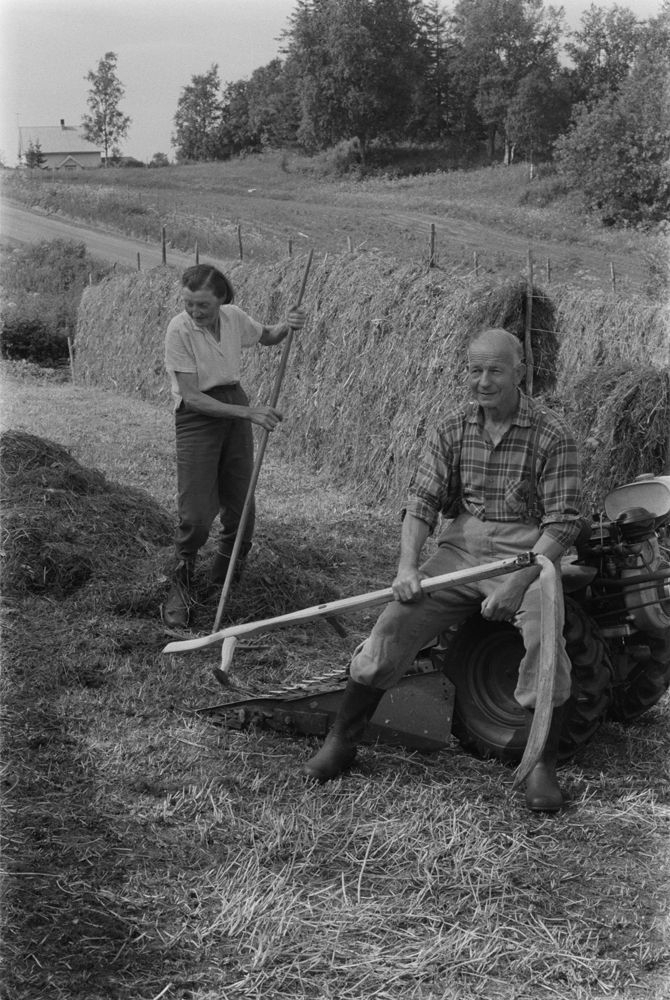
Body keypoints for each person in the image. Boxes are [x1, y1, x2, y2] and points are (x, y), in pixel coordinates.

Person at [304, 327, 584, 812]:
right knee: (395, 622)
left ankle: (541, 764)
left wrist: (519, 583)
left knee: (545, 631)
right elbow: (422, 503)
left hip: (528, 549)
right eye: (475, 371)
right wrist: (408, 568)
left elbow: (563, 525)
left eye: (495, 370)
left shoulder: (552, 434)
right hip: (462, 544)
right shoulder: (452, 426)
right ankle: (342, 741)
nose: (484, 381)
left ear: (520, 373)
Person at [163, 263, 306, 629]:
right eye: (189, 304)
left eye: (203, 306)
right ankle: (181, 587)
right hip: (198, 418)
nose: (195, 312)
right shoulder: (179, 329)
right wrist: (247, 412)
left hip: (233, 406)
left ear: (222, 299)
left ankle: (224, 580)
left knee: (241, 505)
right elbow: (193, 397)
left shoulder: (233, 317)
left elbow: (269, 336)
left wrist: (287, 324)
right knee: (195, 513)